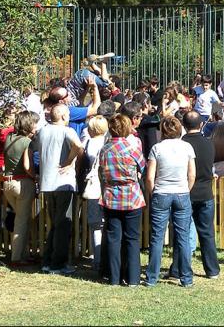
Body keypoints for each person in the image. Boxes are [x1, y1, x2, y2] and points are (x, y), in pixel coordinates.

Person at [30, 103, 83, 275]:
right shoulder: (67, 131)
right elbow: (79, 146)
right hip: (63, 182)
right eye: (67, 114)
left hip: (47, 183)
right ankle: (58, 264)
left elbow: (33, 148)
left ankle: (48, 261)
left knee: (55, 224)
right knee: (63, 225)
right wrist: (69, 162)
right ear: (62, 116)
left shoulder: (43, 131)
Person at [144, 116, 197, 287]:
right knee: (182, 237)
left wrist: (153, 193)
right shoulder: (187, 147)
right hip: (181, 193)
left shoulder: (157, 148)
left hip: (161, 193)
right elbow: (192, 175)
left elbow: (150, 177)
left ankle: (152, 277)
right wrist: (186, 189)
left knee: (157, 237)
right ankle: (186, 278)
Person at [99, 113, 146, 287]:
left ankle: (113, 277)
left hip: (111, 196)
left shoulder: (104, 149)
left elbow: (101, 171)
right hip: (132, 196)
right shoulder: (132, 148)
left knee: (113, 238)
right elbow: (143, 166)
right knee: (132, 239)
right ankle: (133, 278)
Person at [181, 111, 220, 279]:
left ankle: (179, 269)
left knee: (181, 234)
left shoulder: (181, 144)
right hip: (205, 192)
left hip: (186, 192)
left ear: (183, 125)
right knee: (207, 233)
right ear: (201, 124)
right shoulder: (209, 144)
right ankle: (212, 270)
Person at [2, 110, 38, 268]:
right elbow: (27, 166)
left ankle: (24, 254)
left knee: (20, 218)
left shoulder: (9, 138)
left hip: (7, 183)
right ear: (29, 124)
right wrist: (35, 177)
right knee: (22, 222)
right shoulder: (27, 142)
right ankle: (17, 258)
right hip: (22, 183)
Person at [81, 115, 108, 270]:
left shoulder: (89, 143)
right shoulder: (106, 142)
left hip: (93, 186)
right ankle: (103, 257)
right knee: (106, 224)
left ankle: (97, 258)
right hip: (106, 186)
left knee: (95, 225)